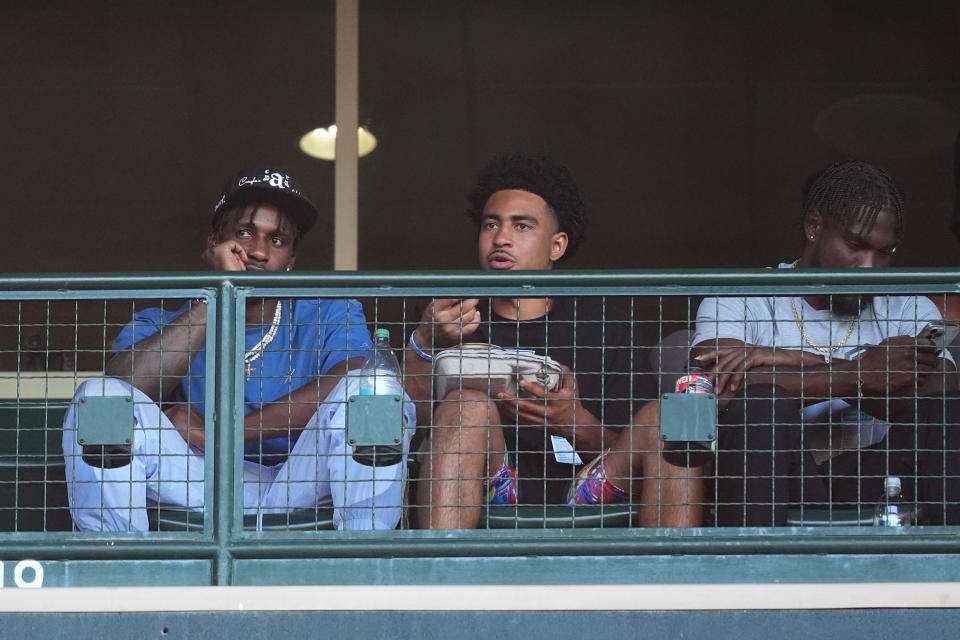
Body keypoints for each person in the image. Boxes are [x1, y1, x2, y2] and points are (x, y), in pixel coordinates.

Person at [62, 167, 416, 532]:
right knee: (101, 397)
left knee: (372, 394)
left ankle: (363, 560)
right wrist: (214, 296)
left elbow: (359, 377)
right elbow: (123, 392)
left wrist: (224, 430)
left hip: (302, 479)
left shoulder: (329, 310)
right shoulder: (163, 323)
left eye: (277, 240)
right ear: (215, 242)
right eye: (245, 233)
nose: (259, 251)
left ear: (292, 260)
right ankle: (115, 564)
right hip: (201, 481)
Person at [406, 153, 700, 529]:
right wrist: (424, 340)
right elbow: (405, 429)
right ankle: (440, 577)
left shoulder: (604, 325)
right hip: (487, 485)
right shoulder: (450, 316)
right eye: (490, 224)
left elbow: (640, 444)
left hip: (586, 488)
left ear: (557, 245)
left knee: (668, 416)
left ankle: (671, 582)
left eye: (522, 226)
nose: (501, 238)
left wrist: (574, 423)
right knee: (466, 403)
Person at [692, 159, 960, 526]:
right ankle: (753, 569)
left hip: (884, 483)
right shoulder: (739, 295)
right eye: (855, 245)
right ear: (814, 226)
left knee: (947, 412)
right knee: (762, 405)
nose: (869, 267)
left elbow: (941, 393)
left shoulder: (907, 304)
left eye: (884, 253)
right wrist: (862, 374)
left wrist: (786, 361)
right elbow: (710, 390)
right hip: (779, 481)